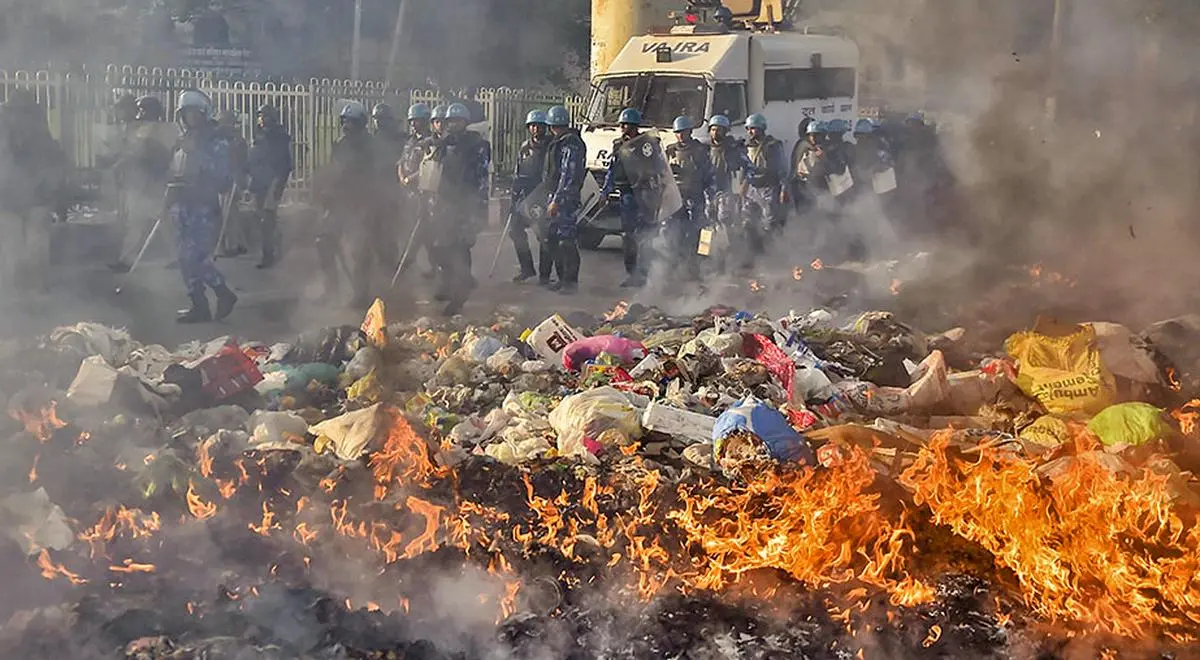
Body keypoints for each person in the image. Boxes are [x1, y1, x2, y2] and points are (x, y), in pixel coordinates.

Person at [166, 89, 237, 323]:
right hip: (182, 204)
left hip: (203, 206)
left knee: (197, 256)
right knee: (183, 258)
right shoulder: (184, 140)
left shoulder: (215, 140)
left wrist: (196, 153)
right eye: (186, 113)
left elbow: (222, 175)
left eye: (194, 113)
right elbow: (175, 172)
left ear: (204, 113)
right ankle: (198, 304)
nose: (190, 118)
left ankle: (223, 292)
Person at [420, 102, 489, 315]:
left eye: (458, 121)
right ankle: (450, 284)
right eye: (451, 121)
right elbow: (433, 168)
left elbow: (481, 178)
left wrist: (477, 207)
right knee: (439, 247)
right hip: (445, 203)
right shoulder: (444, 144)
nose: (453, 125)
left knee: (460, 248)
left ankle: (459, 296)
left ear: (466, 123)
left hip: (466, 203)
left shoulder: (478, 145)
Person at [317, 100, 385, 305]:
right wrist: (326, 192)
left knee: (360, 250)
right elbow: (335, 171)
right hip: (339, 203)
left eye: (352, 122)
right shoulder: (340, 144)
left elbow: (376, 178)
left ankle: (360, 293)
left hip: (362, 203)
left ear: (361, 123)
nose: (347, 126)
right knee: (323, 242)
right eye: (344, 121)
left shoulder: (371, 147)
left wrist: (369, 206)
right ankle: (332, 289)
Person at [0, 90, 66, 295]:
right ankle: (37, 286)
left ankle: (13, 287)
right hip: (38, 193)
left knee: (12, 242)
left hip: (8, 193)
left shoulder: (5, 124)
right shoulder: (41, 131)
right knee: (37, 239)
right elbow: (55, 164)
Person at [109, 95, 176, 272]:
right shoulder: (161, 128)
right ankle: (127, 259)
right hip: (145, 181)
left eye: (143, 109)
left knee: (160, 222)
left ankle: (176, 256)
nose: (140, 113)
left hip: (152, 181)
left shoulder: (153, 129)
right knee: (146, 222)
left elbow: (137, 153)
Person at [600, 107, 656, 288]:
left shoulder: (646, 144)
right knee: (628, 236)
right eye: (622, 124)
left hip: (644, 195)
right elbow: (612, 169)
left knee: (646, 236)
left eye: (628, 125)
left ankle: (645, 275)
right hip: (626, 195)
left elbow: (655, 169)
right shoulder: (618, 145)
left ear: (635, 126)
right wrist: (605, 191)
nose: (624, 128)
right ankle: (632, 274)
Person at [541, 104, 586, 293]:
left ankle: (571, 281)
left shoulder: (571, 144)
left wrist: (557, 200)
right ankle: (562, 278)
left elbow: (568, 174)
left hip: (565, 198)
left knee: (566, 239)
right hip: (555, 194)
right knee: (550, 237)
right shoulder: (559, 142)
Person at [664, 115, 713, 280]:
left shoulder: (700, 150)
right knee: (674, 232)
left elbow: (707, 173)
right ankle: (675, 267)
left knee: (700, 232)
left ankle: (699, 265)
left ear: (690, 132)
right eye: (678, 132)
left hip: (696, 195)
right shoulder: (670, 150)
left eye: (683, 132)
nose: (680, 136)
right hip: (677, 196)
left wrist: (709, 196)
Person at [246, 104, 293, 268]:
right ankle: (275, 246)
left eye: (265, 116)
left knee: (268, 218)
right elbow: (255, 156)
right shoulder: (260, 135)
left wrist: (278, 184)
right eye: (260, 116)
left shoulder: (280, 136)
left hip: (273, 180)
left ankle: (270, 254)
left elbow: (285, 164)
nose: (262, 120)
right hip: (259, 181)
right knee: (261, 218)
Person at [508, 109, 549, 283]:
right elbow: (518, 173)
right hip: (525, 196)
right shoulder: (524, 147)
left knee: (544, 236)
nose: (535, 129)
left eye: (539, 126)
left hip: (542, 196)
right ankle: (527, 268)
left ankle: (545, 275)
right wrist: (514, 195)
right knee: (515, 230)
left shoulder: (551, 147)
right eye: (532, 126)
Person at [396, 102, 435, 279]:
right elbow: (401, 162)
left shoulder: (430, 141)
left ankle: (409, 266)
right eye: (412, 120)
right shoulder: (410, 141)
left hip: (422, 193)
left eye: (417, 121)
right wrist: (401, 176)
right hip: (407, 193)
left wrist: (409, 179)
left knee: (422, 232)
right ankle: (415, 265)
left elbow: (429, 166)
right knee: (411, 229)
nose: (413, 124)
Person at [742, 113, 787, 263]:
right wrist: (743, 186)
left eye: (753, 129)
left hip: (768, 188)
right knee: (748, 222)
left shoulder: (772, 146)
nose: (750, 132)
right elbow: (744, 169)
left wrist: (783, 188)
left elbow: (782, 168)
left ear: (761, 128)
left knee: (769, 224)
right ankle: (753, 254)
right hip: (751, 188)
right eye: (748, 129)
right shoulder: (746, 146)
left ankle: (773, 255)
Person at [706, 113, 754, 231]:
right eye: (713, 129)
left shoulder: (733, 150)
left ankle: (731, 247)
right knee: (708, 223)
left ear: (726, 131)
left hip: (727, 192)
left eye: (719, 130)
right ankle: (707, 249)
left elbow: (750, 168)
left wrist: (745, 184)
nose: (716, 133)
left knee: (726, 220)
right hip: (707, 193)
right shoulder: (704, 149)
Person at [213, 111, 250, 257]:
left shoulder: (236, 140)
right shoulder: (224, 139)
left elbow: (239, 162)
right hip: (225, 179)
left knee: (229, 213)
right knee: (230, 213)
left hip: (233, 179)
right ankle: (240, 244)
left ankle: (232, 246)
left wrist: (239, 179)